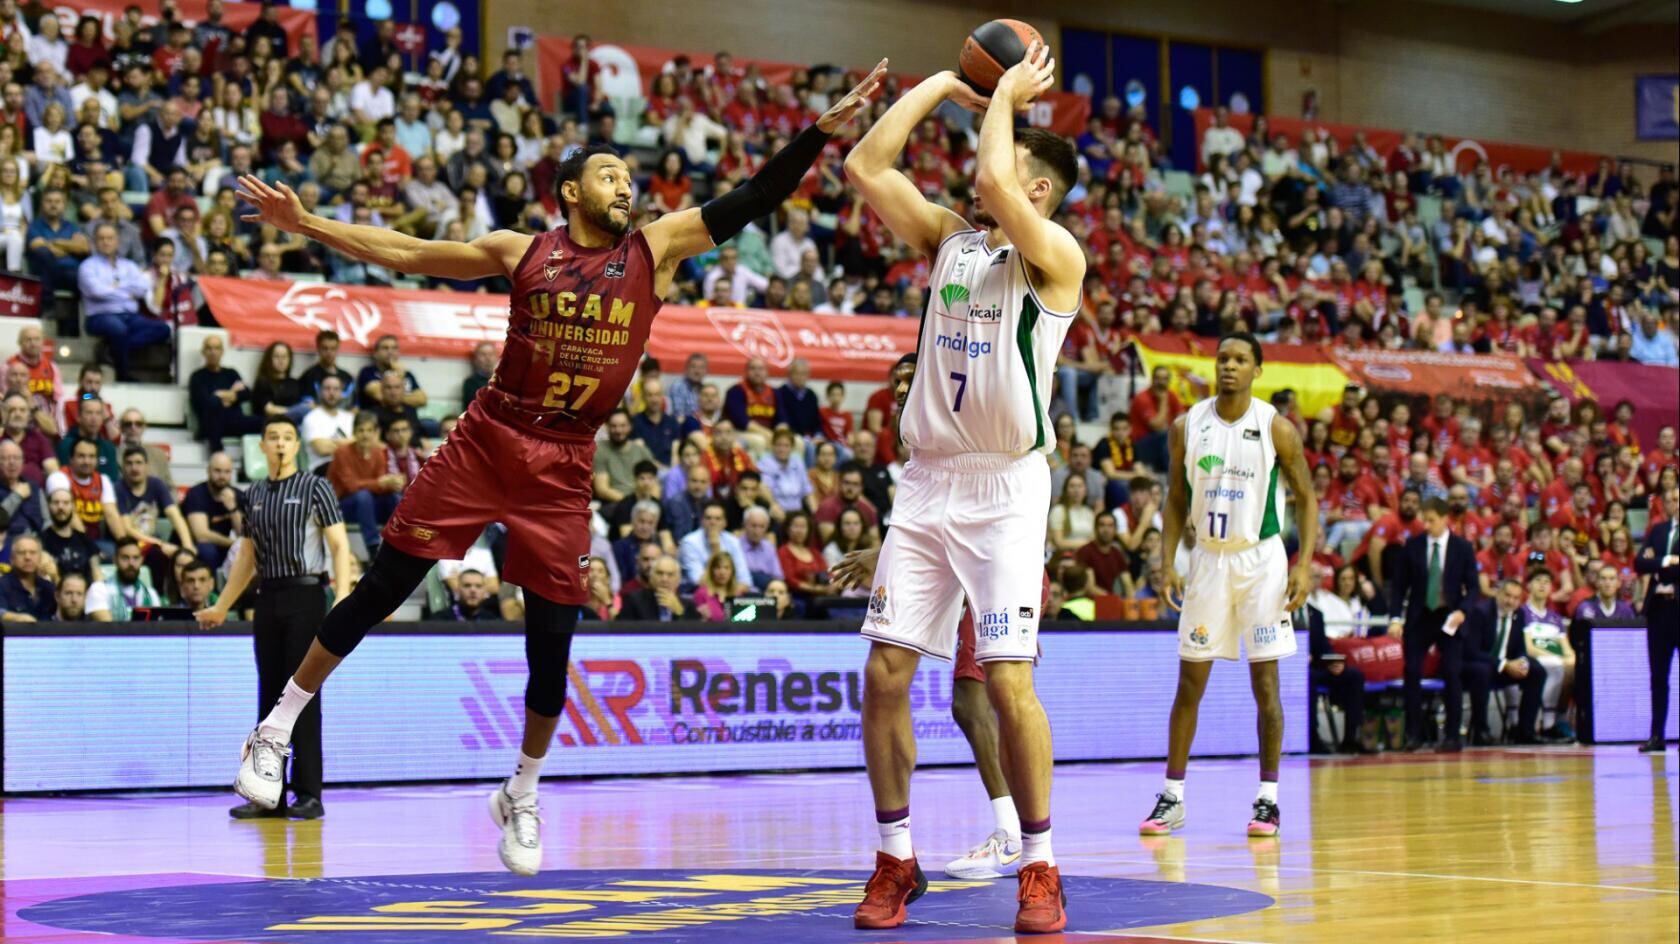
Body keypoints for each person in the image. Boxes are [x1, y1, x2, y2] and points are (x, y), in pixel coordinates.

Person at [219, 63, 887, 875]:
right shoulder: (520, 250)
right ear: (570, 191)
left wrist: (821, 131)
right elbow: (406, 250)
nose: (626, 186)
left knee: (552, 645)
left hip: (566, 463)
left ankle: (523, 792)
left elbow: (755, 198)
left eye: (629, 176)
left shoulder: (656, 248)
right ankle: (276, 727)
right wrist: (311, 225)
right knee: (383, 587)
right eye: (610, 174)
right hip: (488, 439)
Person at [842, 44, 1078, 932]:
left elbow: (990, 175)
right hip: (927, 482)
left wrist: (1005, 91)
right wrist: (947, 83)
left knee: (1009, 683)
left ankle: (1040, 866)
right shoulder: (948, 241)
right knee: (884, 673)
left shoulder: (1055, 256)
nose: (989, 170)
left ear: (1040, 190)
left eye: (1015, 165)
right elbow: (869, 163)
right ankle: (895, 859)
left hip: (1008, 489)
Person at [1139, 332, 1317, 841]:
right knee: (1189, 683)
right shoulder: (1186, 425)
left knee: (1266, 686)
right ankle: (1172, 796)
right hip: (1209, 563)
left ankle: (1268, 801)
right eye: (1223, 359)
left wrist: (1304, 565)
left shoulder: (1276, 428)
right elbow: (1175, 497)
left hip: (1262, 563)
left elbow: (1307, 497)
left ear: (1258, 370)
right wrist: (1168, 557)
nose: (1229, 367)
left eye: (1240, 360)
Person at [197, 417, 353, 821]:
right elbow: (246, 556)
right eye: (273, 438)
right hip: (269, 596)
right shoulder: (254, 494)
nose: (280, 443)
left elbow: (338, 544)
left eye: (287, 437)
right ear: (262, 447)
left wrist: (343, 594)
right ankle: (268, 793)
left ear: (297, 444)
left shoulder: (316, 487)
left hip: (306, 593)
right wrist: (221, 606)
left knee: (302, 693)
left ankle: (309, 792)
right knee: (268, 695)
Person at [1388, 496, 1480, 752]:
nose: (1426, 525)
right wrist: (1395, 618)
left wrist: (1463, 610)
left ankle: (1452, 736)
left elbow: (1472, 587)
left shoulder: (1462, 547)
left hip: (1449, 616)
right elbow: (1399, 587)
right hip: (1420, 616)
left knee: (1452, 672)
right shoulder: (1413, 545)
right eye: (1424, 520)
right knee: (1412, 671)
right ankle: (1413, 735)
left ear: (1444, 519)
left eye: (1431, 520)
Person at [1462, 578, 1549, 745]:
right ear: (1497, 594)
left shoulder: (1519, 614)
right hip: (1475, 666)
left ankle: (1525, 731)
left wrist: (1522, 662)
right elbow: (1471, 651)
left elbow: (1520, 648)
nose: (1511, 601)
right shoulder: (1480, 612)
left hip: (1503, 667)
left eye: (1516, 598)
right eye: (1507, 596)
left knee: (1537, 671)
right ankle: (1481, 731)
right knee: (1482, 670)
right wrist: (1504, 664)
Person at [79, 222, 169, 380]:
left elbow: (142, 288)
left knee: (163, 329)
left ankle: (111, 349)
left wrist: (114, 287)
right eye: (101, 238)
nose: (106, 242)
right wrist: (127, 292)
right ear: (95, 241)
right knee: (118, 329)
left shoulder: (129, 265)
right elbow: (97, 292)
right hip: (100, 316)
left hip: (129, 316)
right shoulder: (88, 266)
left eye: (110, 238)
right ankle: (123, 374)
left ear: (117, 241)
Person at [1634, 486, 1679, 752]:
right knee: (1658, 675)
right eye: (1670, 499)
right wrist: (1668, 560)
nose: (1672, 503)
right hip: (1658, 610)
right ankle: (1656, 735)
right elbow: (1640, 563)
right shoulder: (1658, 530)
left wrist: (1659, 563)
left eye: (1677, 499)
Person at [328, 411, 401, 559]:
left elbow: (380, 487)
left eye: (369, 431)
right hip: (341, 506)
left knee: (394, 497)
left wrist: (392, 483)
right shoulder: (342, 452)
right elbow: (351, 486)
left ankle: (399, 543)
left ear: (376, 433)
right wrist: (380, 483)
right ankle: (373, 547)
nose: (365, 435)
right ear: (354, 432)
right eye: (361, 430)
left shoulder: (379, 453)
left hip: (367, 505)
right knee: (363, 496)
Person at [1302, 600, 1368, 753]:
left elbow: (1323, 646)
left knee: (1355, 676)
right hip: (1293, 669)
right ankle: (1312, 738)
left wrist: (1334, 661)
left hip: (1318, 666)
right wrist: (1298, 658)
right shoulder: (1279, 610)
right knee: (1309, 678)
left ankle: (1351, 738)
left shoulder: (1315, 613)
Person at [46, 437, 127, 543]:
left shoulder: (103, 480)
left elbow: (112, 515)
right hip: (65, 540)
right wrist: (89, 547)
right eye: (81, 456)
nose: (87, 461)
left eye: (91, 456)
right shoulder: (59, 477)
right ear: (71, 459)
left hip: (96, 541)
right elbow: (71, 516)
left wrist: (124, 545)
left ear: (97, 460)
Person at [181, 452, 243, 568]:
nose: (222, 476)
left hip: (222, 545)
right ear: (208, 471)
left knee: (246, 552)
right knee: (207, 550)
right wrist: (234, 543)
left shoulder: (237, 495)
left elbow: (242, 533)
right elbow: (201, 535)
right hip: (195, 546)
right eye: (217, 471)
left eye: (227, 472)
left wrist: (233, 509)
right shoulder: (196, 494)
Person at [86, 536, 163, 620]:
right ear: (115, 560)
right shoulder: (99, 589)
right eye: (125, 558)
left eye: (135, 558)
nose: (131, 563)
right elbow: (107, 628)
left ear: (141, 560)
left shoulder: (151, 594)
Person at [39, 489, 102, 582]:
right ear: (48, 506)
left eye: (66, 503)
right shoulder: (41, 541)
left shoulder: (85, 539)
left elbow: (97, 573)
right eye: (56, 503)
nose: (60, 507)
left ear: (73, 507)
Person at [618, 554, 695, 621]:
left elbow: (695, 634)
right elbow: (621, 632)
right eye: (659, 573)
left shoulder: (688, 606)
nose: (664, 579)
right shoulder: (634, 601)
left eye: (670, 574)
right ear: (651, 577)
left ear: (678, 580)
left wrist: (679, 612)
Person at [0, 533, 55, 621]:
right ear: (11, 559)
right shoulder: (2, 586)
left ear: (40, 558)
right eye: (21, 553)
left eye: (33, 553)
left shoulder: (48, 587)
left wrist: (56, 577)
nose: (27, 557)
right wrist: (16, 617)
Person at [300, 375, 355, 460]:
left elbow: (364, 443)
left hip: (350, 465)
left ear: (341, 393)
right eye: (327, 388)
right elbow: (322, 449)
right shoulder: (311, 418)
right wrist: (351, 442)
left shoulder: (350, 417)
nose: (332, 393)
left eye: (336, 389)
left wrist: (333, 442)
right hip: (323, 467)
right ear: (320, 392)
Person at [692, 549, 750, 620]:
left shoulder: (737, 594)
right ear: (711, 571)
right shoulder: (701, 593)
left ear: (732, 572)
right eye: (718, 568)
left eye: (726, 568)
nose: (722, 572)